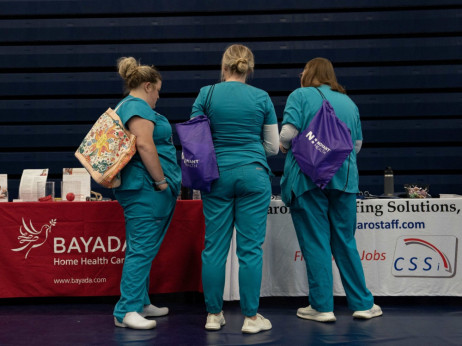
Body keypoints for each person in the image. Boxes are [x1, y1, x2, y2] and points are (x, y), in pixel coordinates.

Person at [279, 57, 382, 322]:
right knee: (345, 241)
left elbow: (288, 134)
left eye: (302, 69)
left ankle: (322, 307)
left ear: (310, 73)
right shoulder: (348, 102)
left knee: (315, 242)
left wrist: (283, 146)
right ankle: (361, 304)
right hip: (344, 179)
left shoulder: (299, 95)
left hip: (306, 179)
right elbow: (356, 145)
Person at [190, 44, 279, 334]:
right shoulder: (262, 97)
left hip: (216, 176)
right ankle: (252, 318)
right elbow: (274, 147)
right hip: (254, 174)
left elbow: (194, 139)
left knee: (214, 248)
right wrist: (251, 151)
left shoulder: (207, 94)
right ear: (248, 68)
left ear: (224, 66)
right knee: (250, 249)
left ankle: (213, 315)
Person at [112, 57, 181, 329]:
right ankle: (125, 310)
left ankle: (140, 301)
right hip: (146, 189)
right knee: (141, 249)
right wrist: (161, 181)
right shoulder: (136, 107)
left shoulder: (130, 106)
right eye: (158, 91)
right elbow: (145, 146)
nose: (158, 97)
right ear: (148, 86)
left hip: (143, 188)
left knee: (143, 247)